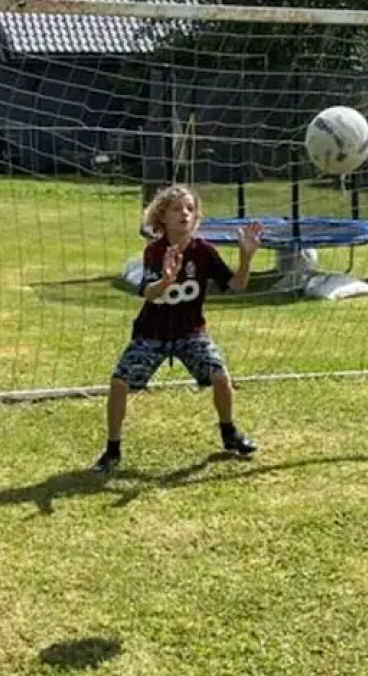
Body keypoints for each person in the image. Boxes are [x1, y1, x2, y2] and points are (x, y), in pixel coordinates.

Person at [93, 185, 261, 474]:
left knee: (220, 376)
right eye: (176, 208)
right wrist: (166, 280)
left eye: (189, 208)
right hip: (152, 333)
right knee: (119, 382)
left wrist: (246, 258)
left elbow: (237, 286)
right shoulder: (154, 252)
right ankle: (112, 450)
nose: (184, 213)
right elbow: (149, 294)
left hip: (190, 333)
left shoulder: (205, 252)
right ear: (162, 217)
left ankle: (229, 433)